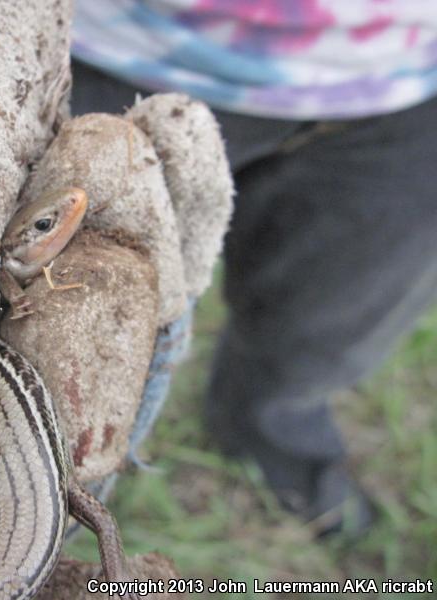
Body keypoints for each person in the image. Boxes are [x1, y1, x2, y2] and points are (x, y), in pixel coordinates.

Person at [70, 0, 437, 536]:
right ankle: (49, 506)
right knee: (74, 336)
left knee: (328, 324)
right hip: (120, 50)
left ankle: (269, 436)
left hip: (408, 80)